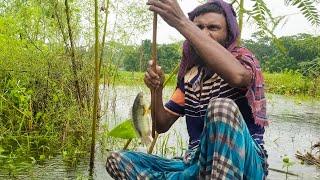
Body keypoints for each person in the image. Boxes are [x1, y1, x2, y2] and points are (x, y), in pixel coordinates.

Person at [106, 0, 269, 179]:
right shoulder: (191, 76)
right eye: (198, 27)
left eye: (213, 28)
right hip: (197, 164)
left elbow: (238, 77)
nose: (204, 34)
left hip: (246, 162)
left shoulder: (242, 61)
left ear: (228, 34)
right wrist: (157, 90)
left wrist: (182, 22)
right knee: (118, 160)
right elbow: (161, 124)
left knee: (221, 108)